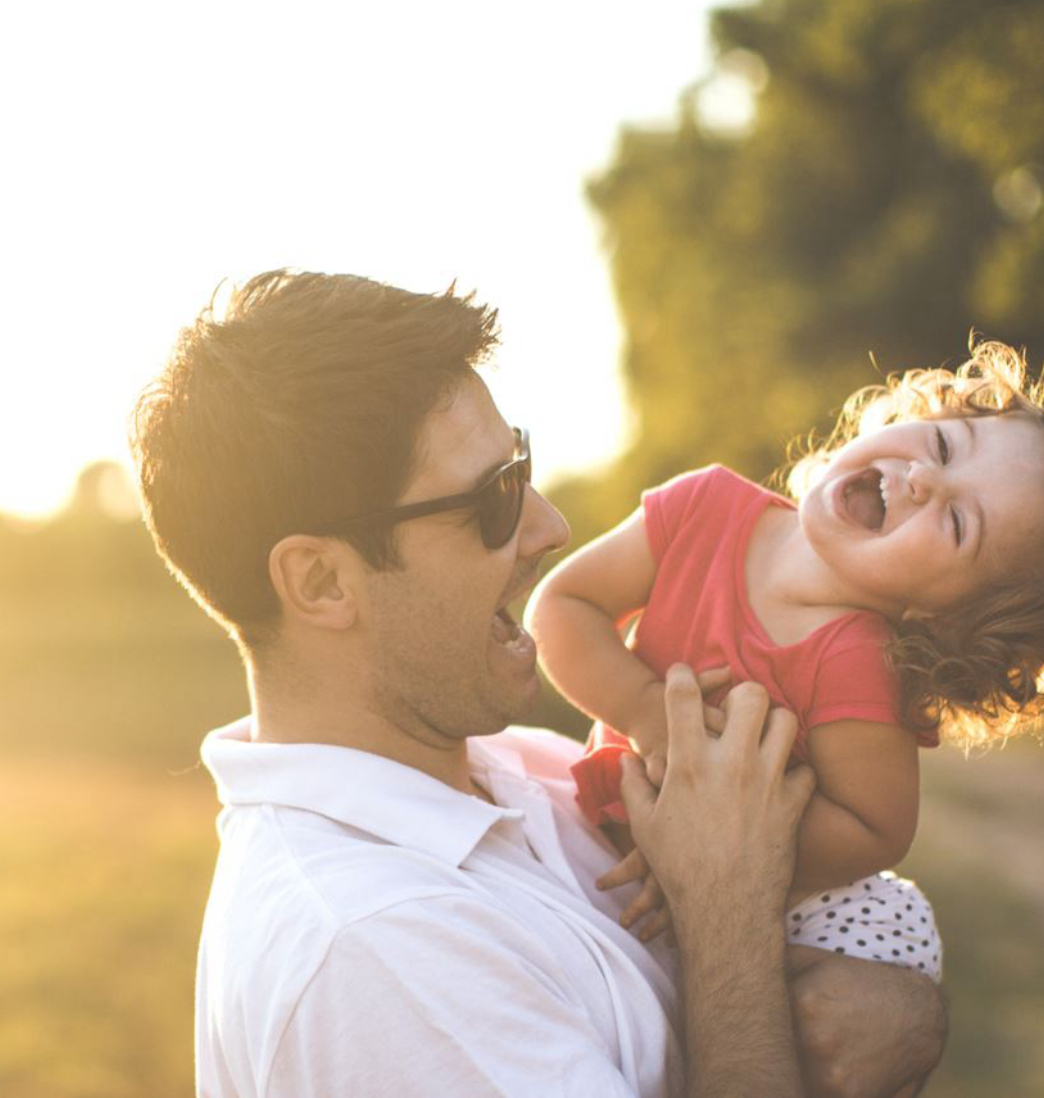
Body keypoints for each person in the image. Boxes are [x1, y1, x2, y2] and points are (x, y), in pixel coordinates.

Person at [132, 268, 946, 1096]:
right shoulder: (377, 952)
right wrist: (728, 913)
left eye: (519, 463)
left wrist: (905, 1010)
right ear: (321, 584)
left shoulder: (523, 767)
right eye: (491, 500)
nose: (550, 526)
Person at [529, 341, 1044, 964]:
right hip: (596, 855)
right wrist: (648, 714)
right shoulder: (703, 508)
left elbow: (873, 829)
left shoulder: (855, 658)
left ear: (949, 618)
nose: (926, 478)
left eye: (960, 524)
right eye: (942, 446)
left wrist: (718, 847)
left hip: (736, 912)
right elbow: (562, 606)